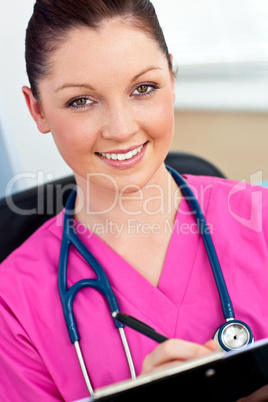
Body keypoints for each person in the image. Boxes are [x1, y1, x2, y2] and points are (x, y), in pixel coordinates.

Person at [0, 0, 268, 400]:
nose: (121, 129)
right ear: (37, 110)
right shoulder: (13, 306)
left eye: (143, 88)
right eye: (81, 101)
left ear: (172, 80)